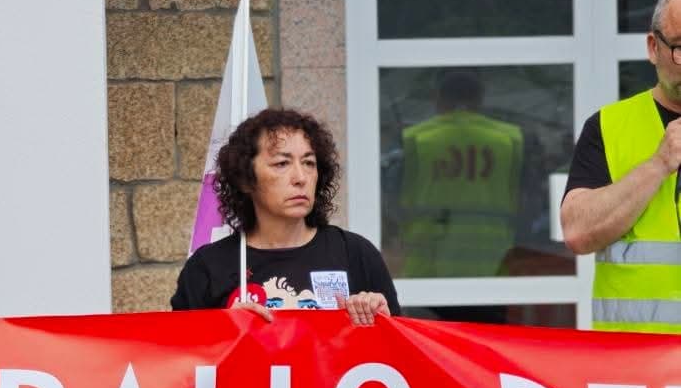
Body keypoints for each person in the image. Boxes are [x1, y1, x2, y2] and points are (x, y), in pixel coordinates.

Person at [172, 108, 399, 324]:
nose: (301, 177)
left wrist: (381, 320)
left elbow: (402, 347)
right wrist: (223, 328)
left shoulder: (355, 254)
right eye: (282, 163)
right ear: (245, 179)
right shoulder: (208, 267)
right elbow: (181, 348)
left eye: (309, 163)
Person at [561, 0, 681, 333]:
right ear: (653, 47)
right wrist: (658, 165)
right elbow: (577, 232)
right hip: (634, 359)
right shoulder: (609, 126)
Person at [397, 70, 523, 326]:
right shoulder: (508, 139)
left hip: (429, 268)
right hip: (490, 265)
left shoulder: (417, 138)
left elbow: (401, 202)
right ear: (480, 99)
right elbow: (519, 200)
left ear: (438, 99)